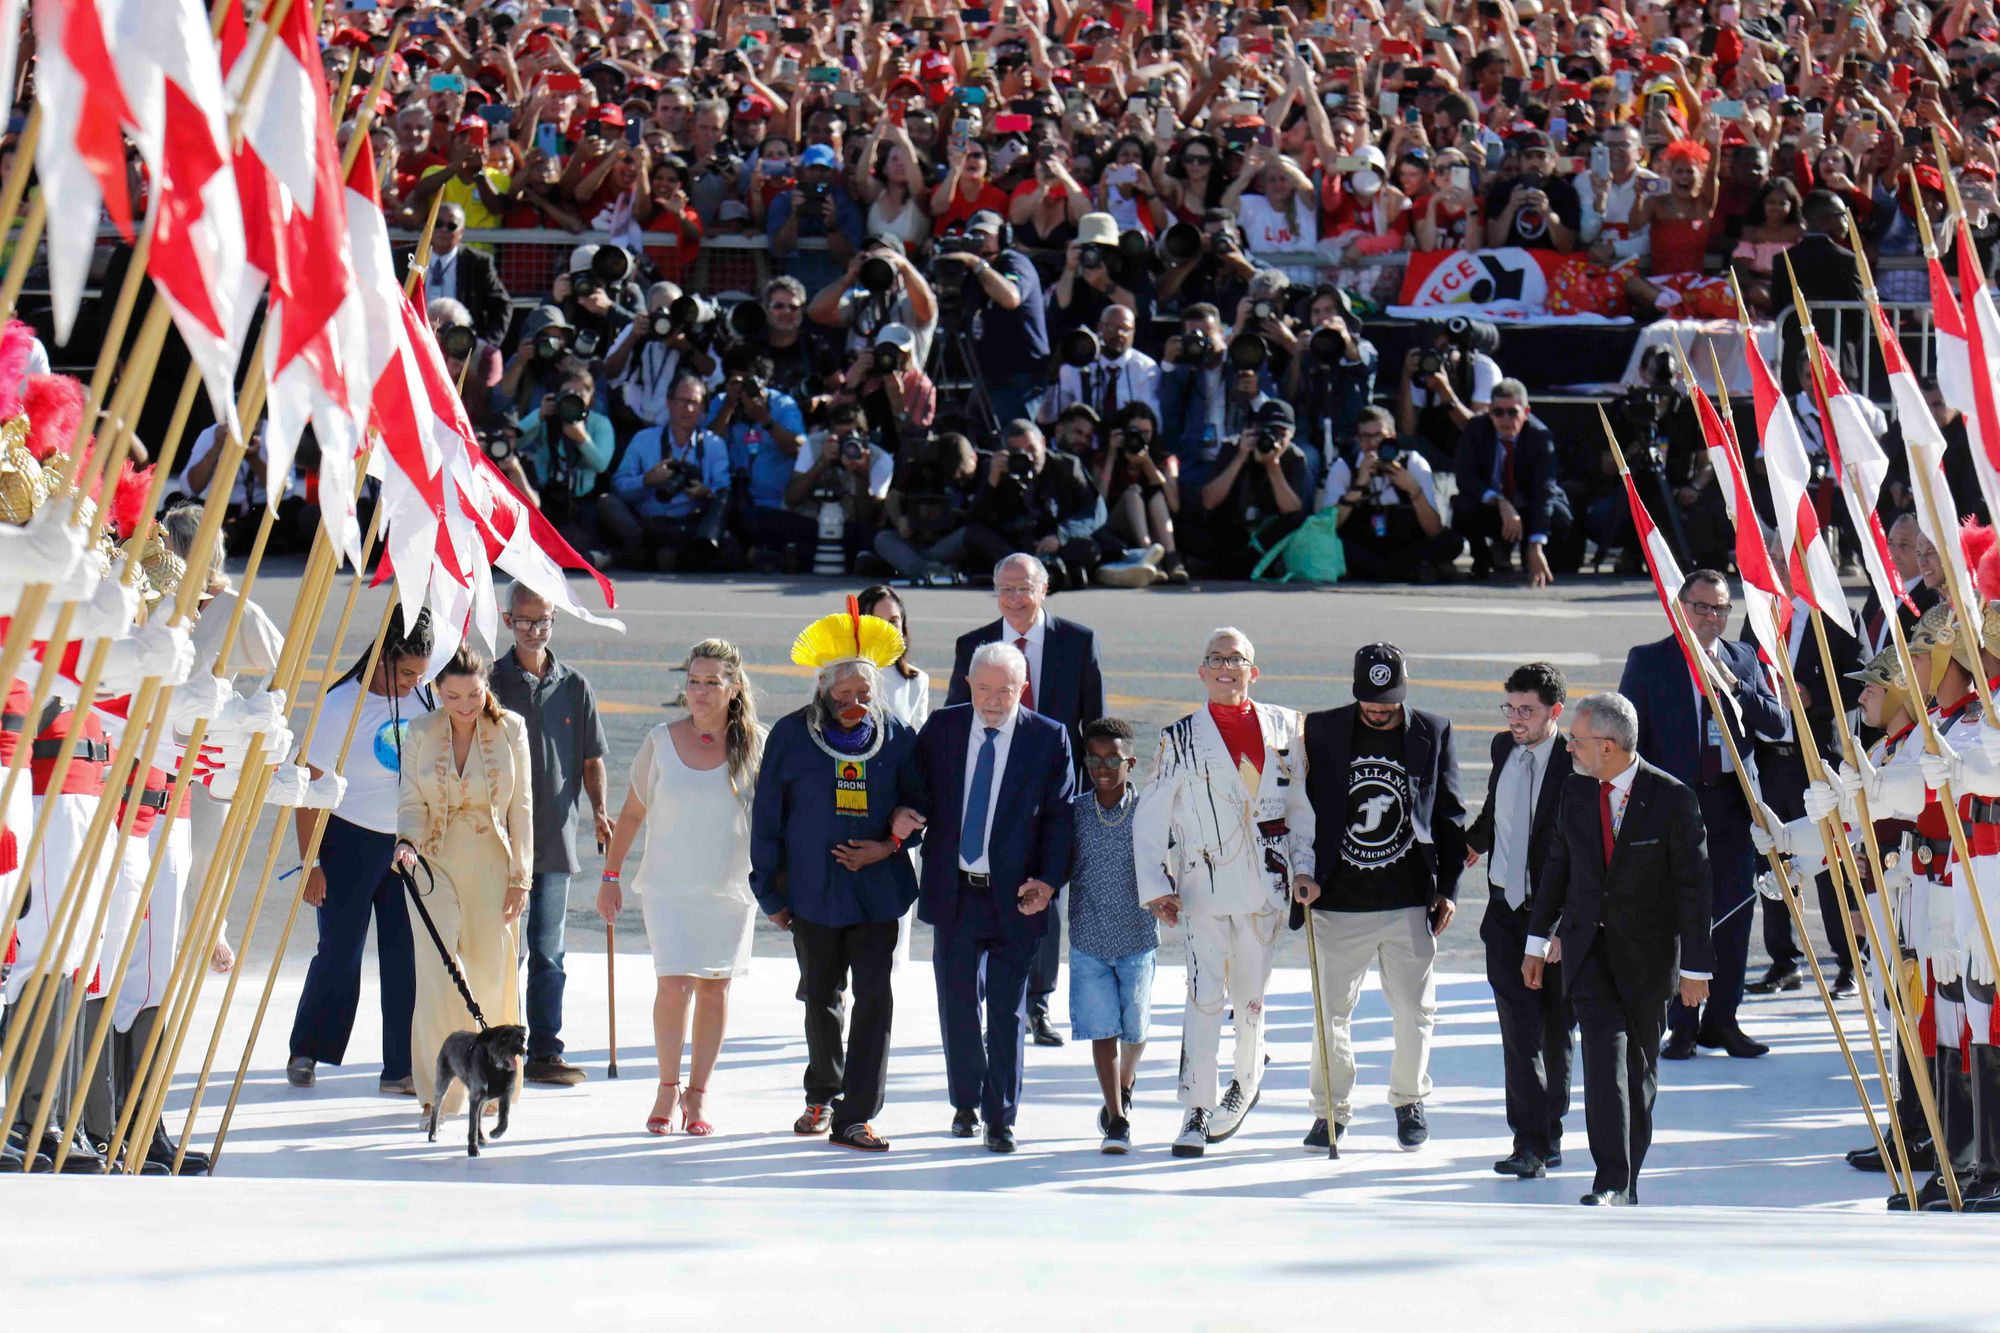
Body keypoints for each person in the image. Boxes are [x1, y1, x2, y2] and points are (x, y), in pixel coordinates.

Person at [1524, 693, 1715, 1206]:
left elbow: (1694, 890)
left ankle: (1627, 1177)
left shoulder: (1672, 799)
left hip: (1649, 960)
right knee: (1604, 1064)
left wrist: (1698, 968)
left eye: (1576, 741)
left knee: (1639, 1074)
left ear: (1608, 746)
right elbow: (1557, 869)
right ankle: (1610, 1179)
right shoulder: (1575, 792)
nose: (1569, 749)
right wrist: (1537, 941)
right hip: (1588, 953)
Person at [1136, 628, 1316, 1158]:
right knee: (1203, 996)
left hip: (1267, 886)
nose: (1225, 668)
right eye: (1215, 659)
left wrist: (1303, 867)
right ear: (1202, 670)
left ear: (1252, 671)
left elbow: (1302, 806)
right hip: (1203, 887)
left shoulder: (1287, 726)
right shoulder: (1181, 737)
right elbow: (1151, 818)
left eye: (1235, 660)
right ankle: (1195, 1107)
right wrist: (1156, 887)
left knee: (1251, 1000)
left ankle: (1246, 1077)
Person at [750, 605, 923, 1152]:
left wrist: (890, 843)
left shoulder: (896, 736)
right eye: (843, 696)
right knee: (821, 997)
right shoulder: (790, 736)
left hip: (876, 893)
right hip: (812, 894)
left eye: (863, 695)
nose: (854, 705)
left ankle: (858, 1114)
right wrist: (768, 891)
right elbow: (767, 817)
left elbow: (921, 801)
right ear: (822, 690)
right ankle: (823, 1092)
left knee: (876, 1000)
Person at [906, 642, 1075, 1151]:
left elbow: (1061, 818)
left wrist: (1048, 883)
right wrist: (902, 822)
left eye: (1005, 690)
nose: (994, 700)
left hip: (1018, 899)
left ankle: (1000, 1117)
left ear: (1023, 688)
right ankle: (964, 1103)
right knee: (958, 1005)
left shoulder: (1048, 738)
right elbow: (916, 792)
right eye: (984, 689)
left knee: (1007, 1011)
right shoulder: (944, 729)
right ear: (970, 687)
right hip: (956, 892)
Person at [1300, 643, 1467, 1153]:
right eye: (1370, 703)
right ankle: (1330, 1111)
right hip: (1336, 902)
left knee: (1415, 1011)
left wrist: (1449, 889)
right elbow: (1298, 804)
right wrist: (1302, 872)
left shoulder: (1432, 731)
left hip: (1406, 901)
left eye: (1387, 704)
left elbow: (1450, 815)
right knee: (1329, 1014)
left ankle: (1409, 1100)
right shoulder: (1323, 729)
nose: (1378, 712)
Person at [1617, 570, 1785, 1061]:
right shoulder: (1650, 661)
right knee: (1682, 916)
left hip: (1734, 805)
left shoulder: (1744, 659)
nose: (1712, 618)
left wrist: (1734, 684)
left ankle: (1723, 1020)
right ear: (1681, 607)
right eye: (1702, 607)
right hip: (1679, 806)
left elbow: (1775, 723)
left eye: (1721, 609)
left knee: (1734, 914)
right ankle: (1681, 1022)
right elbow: (1630, 740)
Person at [597, 640, 764, 1137]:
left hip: (729, 889)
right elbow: (630, 814)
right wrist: (610, 876)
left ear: (733, 689)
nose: (700, 692)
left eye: (712, 682)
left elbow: (780, 821)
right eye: (693, 681)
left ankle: (699, 1095)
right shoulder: (660, 740)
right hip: (668, 887)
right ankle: (667, 1089)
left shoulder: (758, 743)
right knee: (673, 986)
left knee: (715, 989)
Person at [947, 551, 1105, 1044]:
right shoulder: (973, 645)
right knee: (982, 889)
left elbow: (1093, 723)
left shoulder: (1076, 642)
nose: (1015, 599)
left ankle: (1037, 1003)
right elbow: (955, 719)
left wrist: (1097, 792)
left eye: (1024, 588)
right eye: (1005, 589)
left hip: (1053, 793)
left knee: (1045, 892)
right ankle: (984, 998)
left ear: (1044, 589)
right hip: (988, 789)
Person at [286, 608, 435, 1095]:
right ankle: (308, 1047)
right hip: (346, 840)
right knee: (339, 952)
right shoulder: (340, 705)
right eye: (406, 671)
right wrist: (311, 864)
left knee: (404, 955)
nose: (414, 682)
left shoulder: (424, 698)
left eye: (420, 673)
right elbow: (308, 787)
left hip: (405, 844)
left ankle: (401, 1067)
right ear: (383, 657)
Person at [392, 646, 533, 1125]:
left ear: (486, 685)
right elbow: (411, 800)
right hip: (433, 863)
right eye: (453, 695)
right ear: (436, 691)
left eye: (474, 693)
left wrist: (521, 877)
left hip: (493, 862)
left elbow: (523, 810)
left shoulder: (511, 728)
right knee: (437, 975)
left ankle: (494, 1084)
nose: (466, 704)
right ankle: (438, 1093)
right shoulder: (419, 731)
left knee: (493, 971)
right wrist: (406, 843)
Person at [488, 583, 612, 1088]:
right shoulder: (491, 682)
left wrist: (601, 810)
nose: (534, 631)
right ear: (506, 620)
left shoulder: (574, 685)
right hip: (500, 838)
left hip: (556, 838)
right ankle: (498, 1046)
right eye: (524, 622)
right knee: (502, 948)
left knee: (548, 950)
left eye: (543, 622)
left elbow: (591, 758)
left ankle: (544, 1049)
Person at [1465, 662, 1576, 1179]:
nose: (1516, 719)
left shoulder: (1576, 762)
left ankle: (1549, 1133)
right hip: (1504, 911)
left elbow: (1581, 852)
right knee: (1519, 1030)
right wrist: (1471, 844)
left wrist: (1558, 928)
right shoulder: (1501, 748)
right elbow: (1498, 810)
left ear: (1555, 712)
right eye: (1509, 707)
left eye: (1527, 710)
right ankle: (1528, 1142)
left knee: (1555, 1027)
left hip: (1551, 917)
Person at [1067, 717, 1159, 1154]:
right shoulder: (1075, 812)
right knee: (1103, 1029)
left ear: (1131, 762)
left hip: (1138, 936)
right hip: (1089, 937)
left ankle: (1126, 1081)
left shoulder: (1149, 812)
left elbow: (1170, 862)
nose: (1102, 768)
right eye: (1094, 759)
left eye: (1112, 760)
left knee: (1135, 1029)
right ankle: (1117, 1120)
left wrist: (1171, 896)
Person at [598, 373, 733, 573]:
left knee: (727, 545)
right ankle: (654, 553)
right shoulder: (644, 439)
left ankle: (638, 556)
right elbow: (619, 485)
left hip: (689, 523)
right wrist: (647, 480)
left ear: (703, 407)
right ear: (669, 403)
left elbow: (723, 490)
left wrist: (705, 492)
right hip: (647, 523)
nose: (688, 409)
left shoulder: (714, 444)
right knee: (606, 501)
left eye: (694, 402)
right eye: (682, 401)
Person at [935, 209, 1049, 429]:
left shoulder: (1014, 262)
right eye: (974, 236)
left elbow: (1011, 298)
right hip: (988, 375)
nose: (980, 243)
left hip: (1021, 376)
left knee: (1013, 436)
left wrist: (977, 264)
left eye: (985, 235)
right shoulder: (972, 273)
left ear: (1003, 236)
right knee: (974, 431)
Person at [1319, 407, 1461, 584]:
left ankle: (1382, 571)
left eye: (1378, 436)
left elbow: (1433, 529)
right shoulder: (1344, 467)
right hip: (1365, 544)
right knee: (1334, 545)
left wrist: (1414, 491)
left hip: (1404, 544)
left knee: (1451, 541)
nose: (1371, 443)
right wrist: (1358, 487)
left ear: (1392, 436)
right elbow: (1327, 527)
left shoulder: (1413, 462)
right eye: (1365, 437)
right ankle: (1408, 570)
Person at [959, 420, 1106, 589]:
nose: (1027, 457)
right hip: (1012, 544)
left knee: (1090, 548)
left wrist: (1061, 535)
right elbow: (976, 521)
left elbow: (1095, 510)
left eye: (1031, 450)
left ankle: (1046, 570)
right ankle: (1019, 569)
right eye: (1018, 452)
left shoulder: (1068, 466)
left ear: (1043, 443)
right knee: (974, 535)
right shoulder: (995, 468)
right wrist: (991, 483)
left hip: (1052, 542)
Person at [1451, 379, 1570, 587]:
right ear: (1489, 412)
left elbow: (1545, 490)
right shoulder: (1476, 429)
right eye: (1498, 412)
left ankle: (1527, 551)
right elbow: (1465, 477)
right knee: (1463, 506)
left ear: (1526, 412)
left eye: (1513, 412)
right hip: (1493, 507)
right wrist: (1500, 501)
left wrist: (1536, 545)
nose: (1505, 419)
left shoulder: (1540, 437)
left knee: (1560, 516)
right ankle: (1482, 558)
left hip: (1528, 507)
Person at [418, 203, 511, 344]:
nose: (443, 230)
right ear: (428, 226)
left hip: (460, 344)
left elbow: (502, 305)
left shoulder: (479, 263)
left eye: (451, 226)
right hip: (414, 339)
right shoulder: (405, 258)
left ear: (461, 232)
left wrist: (486, 344)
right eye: (437, 224)